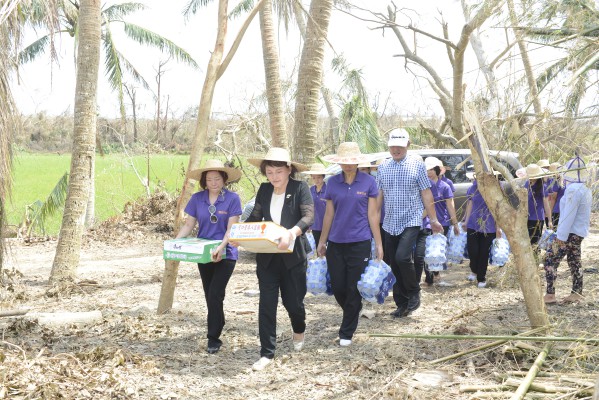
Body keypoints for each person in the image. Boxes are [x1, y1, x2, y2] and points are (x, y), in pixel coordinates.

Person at [245, 148, 314, 371]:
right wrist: (238, 234)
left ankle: (299, 329)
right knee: (267, 304)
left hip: (293, 256)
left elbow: (308, 216)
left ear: (288, 170)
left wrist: (291, 232)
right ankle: (266, 352)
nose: (274, 177)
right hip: (267, 257)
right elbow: (254, 217)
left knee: (293, 302)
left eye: (278, 172)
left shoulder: (300, 188)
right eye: (269, 172)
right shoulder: (264, 190)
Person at [317, 142, 383, 347]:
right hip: (336, 242)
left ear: (358, 162)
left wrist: (379, 244)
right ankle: (353, 311)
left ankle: (346, 332)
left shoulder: (369, 182)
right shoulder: (332, 183)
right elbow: (329, 213)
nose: (348, 165)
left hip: (360, 241)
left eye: (352, 161)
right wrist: (322, 241)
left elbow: (373, 215)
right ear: (339, 162)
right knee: (338, 287)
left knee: (353, 288)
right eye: (344, 161)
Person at [176, 159, 243, 355]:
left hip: (226, 253)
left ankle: (213, 338)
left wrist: (221, 248)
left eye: (217, 179)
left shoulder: (232, 199)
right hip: (203, 253)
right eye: (209, 179)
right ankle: (218, 320)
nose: (213, 183)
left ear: (224, 180)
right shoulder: (197, 199)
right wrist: (174, 244)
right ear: (204, 181)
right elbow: (188, 226)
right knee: (210, 294)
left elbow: (232, 229)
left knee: (215, 293)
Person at [376, 129, 443, 318]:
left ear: (408, 145)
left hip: (412, 219)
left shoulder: (417, 164)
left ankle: (414, 291)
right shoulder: (383, 167)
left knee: (402, 257)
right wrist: (371, 217)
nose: (396, 149)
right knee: (393, 264)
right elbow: (378, 196)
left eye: (400, 145)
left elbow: (426, 193)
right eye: (392, 146)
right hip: (390, 222)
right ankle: (401, 303)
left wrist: (433, 219)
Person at [543, 156, 592, 304]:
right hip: (578, 232)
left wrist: (561, 236)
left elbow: (568, 215)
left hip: (570, 233)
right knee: (574, 261)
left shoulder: (573, 190)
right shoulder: (584, 189)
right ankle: (577, 292)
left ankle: (550, 295)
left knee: (549, 260)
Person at [423, 156, 460, 285]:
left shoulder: (445, 186)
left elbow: (450, 206)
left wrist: (455, 224)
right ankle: (429, 278)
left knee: (437, 250)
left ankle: (436, 273)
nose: (428, 172)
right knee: (426, 250)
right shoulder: (423, 186)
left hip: (442, 222)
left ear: (438, 170)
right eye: (426, 170)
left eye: (431, 169)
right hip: (426, 223)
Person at [463, 172, 502, 288]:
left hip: (489, 226)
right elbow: (469, 205)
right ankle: (474, 270)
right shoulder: (472, 188)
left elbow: (497, 210)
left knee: (484, 252)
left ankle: (481, 278)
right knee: (473, 251)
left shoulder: (496, 189)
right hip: (473, 224)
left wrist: (498, 227)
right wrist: (466, 220)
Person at [523, 163, 553, 249]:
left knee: (535, 242)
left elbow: (546, 204)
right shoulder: (526, 184)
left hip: (537, 218)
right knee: (527, 242)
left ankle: (535, 260)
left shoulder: (542, 186)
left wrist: (550, 220)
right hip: (526, 217)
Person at [302, 163, 330, 246]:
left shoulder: (329, 190)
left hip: (328, 225)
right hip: (315, 225)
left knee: (329, 249)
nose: (316, 180)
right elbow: (308, 208)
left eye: (319, 177)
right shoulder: (310, 190)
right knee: (319, 248)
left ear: (323, 177)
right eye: (314, 178)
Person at [546, 162, 564, 227]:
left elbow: (553, 198)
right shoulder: (566, 180)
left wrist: (549, 214)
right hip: (565, 209)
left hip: (557, 210)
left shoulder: (556, 181)